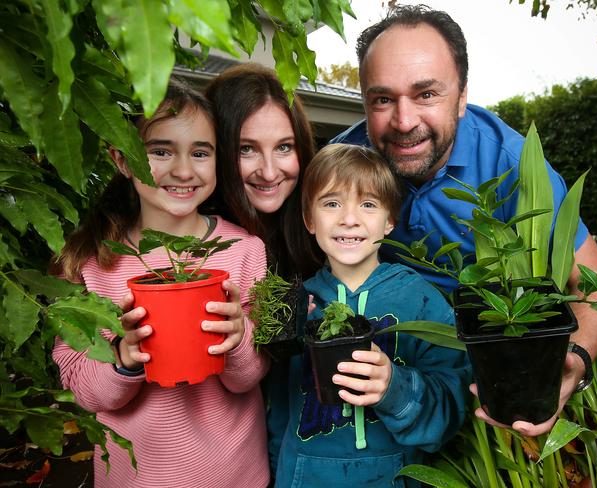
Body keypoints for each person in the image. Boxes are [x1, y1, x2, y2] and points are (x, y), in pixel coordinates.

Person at [331, 4, 597, 436]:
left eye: (427, 94)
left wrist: (573, 361)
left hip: (501, 371)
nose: (404, 121)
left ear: (462, 96)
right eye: (383, 99)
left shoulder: (514, 166)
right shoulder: (342, 168)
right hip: (394, 380)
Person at [53, 80, 270, 487]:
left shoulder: (244, 250)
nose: (183, 170)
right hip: (134, 478)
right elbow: (84, 392)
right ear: (122, 159)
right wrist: (123, 357)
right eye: (160, 151)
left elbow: (247, 378)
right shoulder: (93, 263)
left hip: (233, 474)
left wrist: (238, 339)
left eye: (200, 153)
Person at [270, 143, 471, 487]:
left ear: (390, 220)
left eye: (368, 204)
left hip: (393, 476)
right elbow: (277, 412)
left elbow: (453, 405)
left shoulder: (421, 301)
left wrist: (395, 388)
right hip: (304, 476)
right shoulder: (295, 305)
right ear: (309, 219)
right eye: (332, 204)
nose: (349, 219)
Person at [204, 63, 323, 280]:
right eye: (246, 149)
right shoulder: (198, 241)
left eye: (283, 147)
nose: (268, 173)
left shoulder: (326, 230)